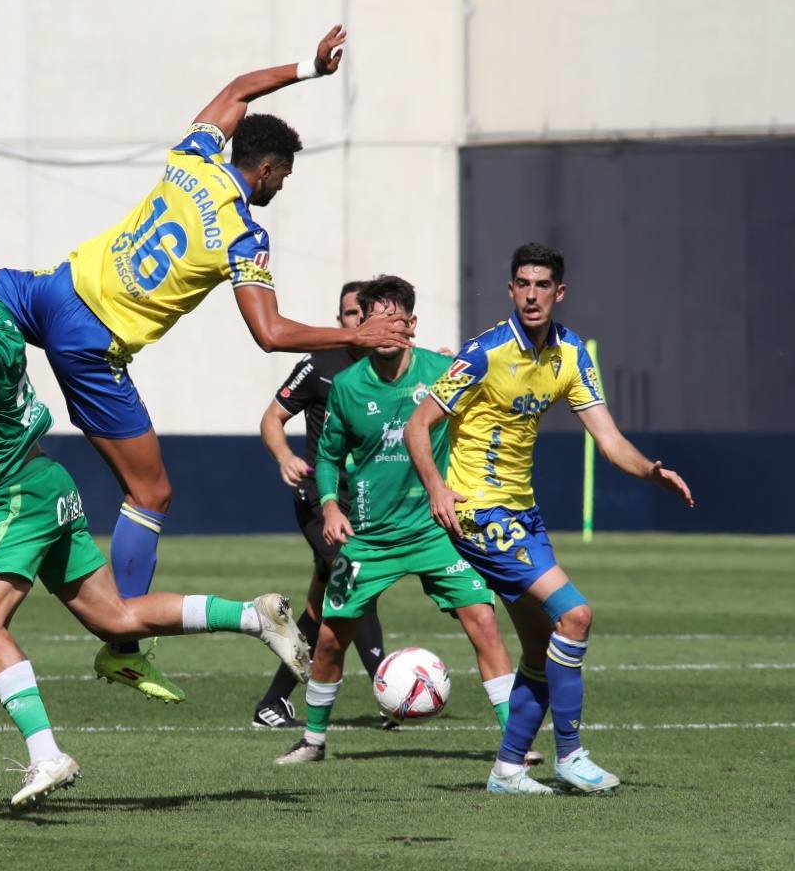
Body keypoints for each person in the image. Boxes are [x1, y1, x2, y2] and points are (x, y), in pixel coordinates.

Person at [0, 24, 410, 703]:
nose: (279, 191)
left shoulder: (193, 159)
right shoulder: (242, 233)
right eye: (280, 180)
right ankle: (124, 649)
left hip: (54, 290)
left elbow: (235, 90)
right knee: (150, 494)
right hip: (92, 344)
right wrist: (356, 336)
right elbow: (268, 331)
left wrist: (306, 68)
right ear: (263, 171)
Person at [0, 242, 309, 809]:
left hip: (22, 493)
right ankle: (253, 617)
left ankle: (46, 753)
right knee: (116, 618)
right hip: (47, 481)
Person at [404, 243, 694, 795]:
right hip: (480, 514)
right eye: (522, 284)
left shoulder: (571, 354)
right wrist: (437, 487)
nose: (531, 294)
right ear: (511, 289)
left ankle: (508, 770)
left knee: (540, 650)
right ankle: (571, 754)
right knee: (577, 615)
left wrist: (652, 470)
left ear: (559, 292)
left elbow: (609, 441)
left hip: (524, 514)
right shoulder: (484, 353)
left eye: (542, 285)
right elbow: (419, 426)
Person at [274, 275, 535, 765]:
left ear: (412, 325)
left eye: (398, 320)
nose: (388, 330)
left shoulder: (441, 372)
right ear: (364, 326)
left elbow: (486, 412)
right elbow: (328, 456)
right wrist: (330, 505)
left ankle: (514, 744)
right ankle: (312, 740)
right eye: (377, 320)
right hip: (369, 537)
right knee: (331, 637)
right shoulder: (348, 387)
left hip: (438, 531)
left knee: (483, 620)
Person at [251, 279, 386, 729]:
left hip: (368, 504)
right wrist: (284, 455)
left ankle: (273, 703)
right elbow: (273, 417)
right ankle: (389, 689)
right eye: (351, 314)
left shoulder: (395, 368)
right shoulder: (319, 365)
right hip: (317, 499)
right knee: (353, 580)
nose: (359, 322)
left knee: (322, 606)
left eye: (366, 314)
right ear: (340, 320)